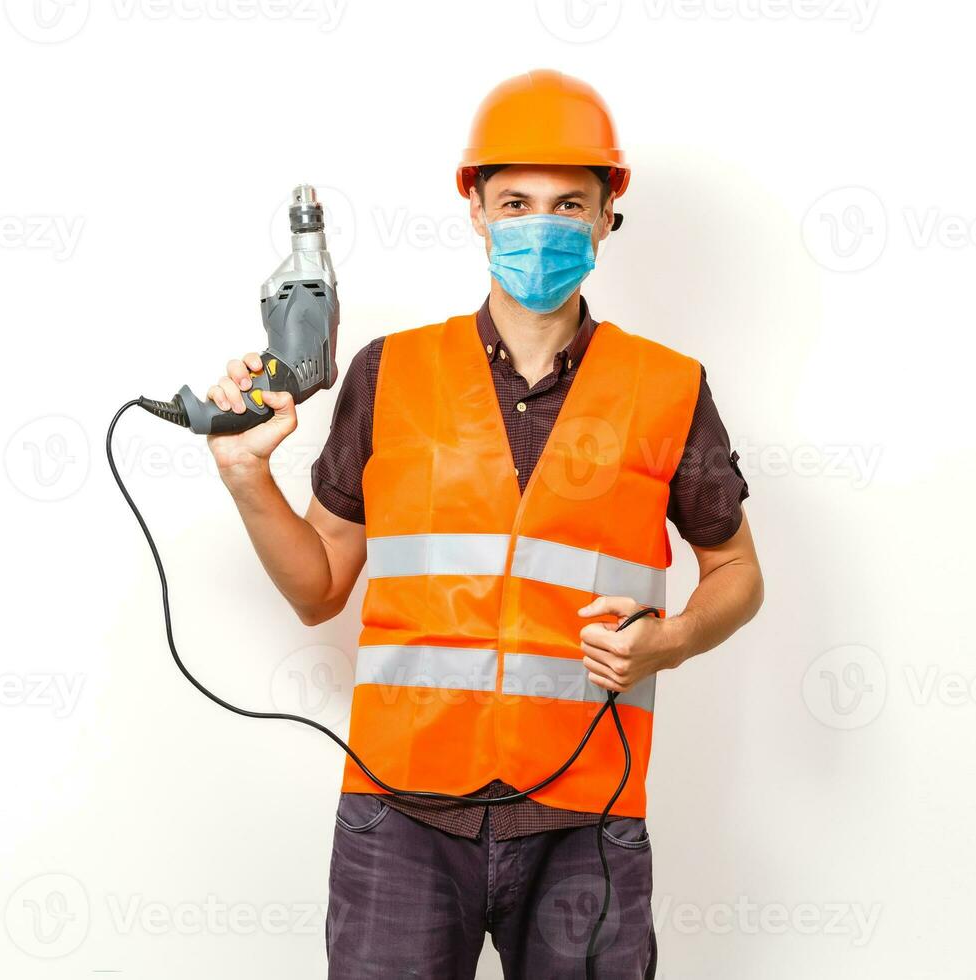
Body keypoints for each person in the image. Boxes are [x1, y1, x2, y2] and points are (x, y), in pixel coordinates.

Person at [202, 69, 764, 980]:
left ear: (606, 214)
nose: (539, 224)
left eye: (567, 203)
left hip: (587, 816)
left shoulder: (670, 388)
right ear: (475, 208)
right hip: (401, 815)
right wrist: (244, 475)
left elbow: (737, 570)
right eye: (516, 201)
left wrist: (669, 639)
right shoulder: (390, 374)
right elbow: (316, 589)